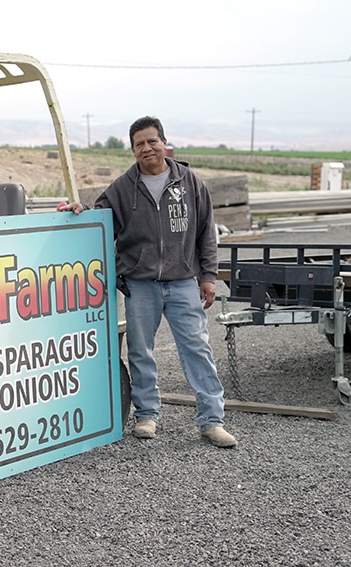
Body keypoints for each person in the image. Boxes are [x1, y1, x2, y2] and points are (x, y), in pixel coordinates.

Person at [59, 116, 236, 448]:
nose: (147, 148)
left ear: (164, 143)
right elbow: (100, 220)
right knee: (141, 351)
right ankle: (147, 416)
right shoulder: (122, 188)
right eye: (139, 144)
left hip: (184, 281)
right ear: (133, 149)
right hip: (141, 284)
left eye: (152, 141)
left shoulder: (190, 183)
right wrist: (80, 210)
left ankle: (212, 421)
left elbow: (206, 233)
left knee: (197, 349)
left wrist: (208, 277)